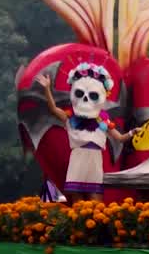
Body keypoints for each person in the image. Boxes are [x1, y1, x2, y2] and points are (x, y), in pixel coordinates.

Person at [35, 64, 136, 201]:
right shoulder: (70, 117)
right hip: (77, 159)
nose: (86, 99)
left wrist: (133, 132)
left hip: (94, 161)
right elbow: (53, 109)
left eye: (93, 95)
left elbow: (120, 138)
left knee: (96, 202)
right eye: (80, 94)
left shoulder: (103, 120)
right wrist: (47, 89)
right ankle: (79, 222)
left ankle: (95, 222)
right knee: (78, 202)